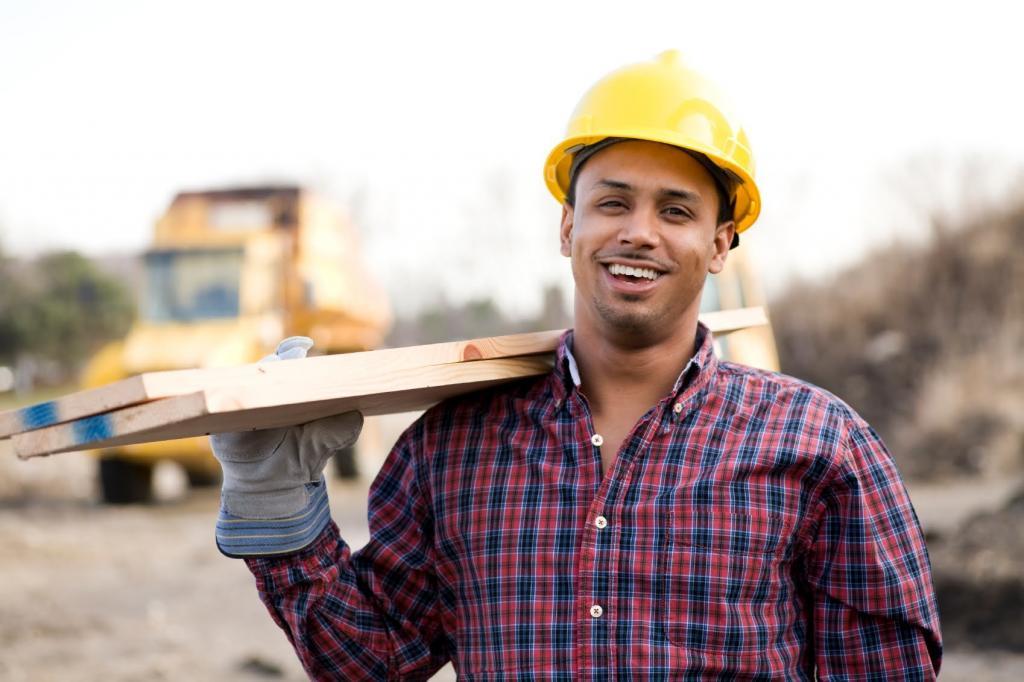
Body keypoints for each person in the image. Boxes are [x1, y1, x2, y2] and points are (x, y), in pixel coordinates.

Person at [211, 51, 942, 680]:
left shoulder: (822, 447)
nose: (638, 232)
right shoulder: (449, 450)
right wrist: (276, 504)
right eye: (613, 202)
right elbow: (366, 664)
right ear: (569, 226)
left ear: (721, 244)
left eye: (677, 211)